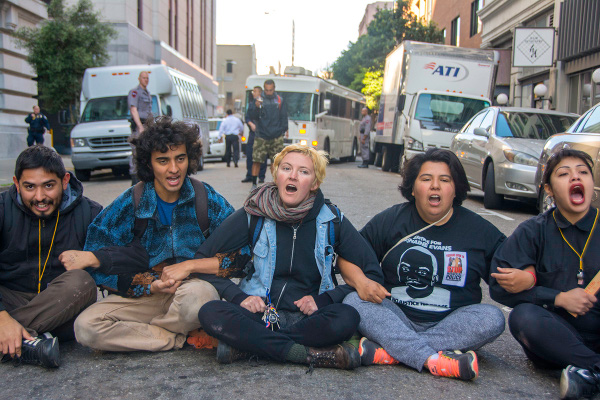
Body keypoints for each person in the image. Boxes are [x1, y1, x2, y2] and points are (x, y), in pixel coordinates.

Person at [189, 144, 383, 370]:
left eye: (303, 172)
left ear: (315, 183)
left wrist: (324, 300)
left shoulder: (332, 220)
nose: (292, 175)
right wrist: (237, 296)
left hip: (308, 320)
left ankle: (249, 345)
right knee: (211, 312)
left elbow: (373, 274)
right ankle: (304, 354)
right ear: (276, 175)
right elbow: (203, 259)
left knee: (347, 317)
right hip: (260, 314)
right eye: (286, 168)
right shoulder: (255, 214)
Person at [72, 117, 235, 352]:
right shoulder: (130, 203)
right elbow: (96, 262)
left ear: (190, 158)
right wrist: (149, 285)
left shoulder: (206, 198)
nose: (173, 169)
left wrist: (191, 267)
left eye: (180, 158)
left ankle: (144, 333)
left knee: (201, 300)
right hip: (143, 296)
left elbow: (243, 256)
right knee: (86, 327)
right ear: (149, 164)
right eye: (163, 160)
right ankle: (178, 336)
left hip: (192, 291)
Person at [340, 148, 506, 380]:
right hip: (395, 315)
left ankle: (391, 352)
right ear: (413, 188)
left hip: (452, 323)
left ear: (455, 188)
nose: (435, 186)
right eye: (426, 179)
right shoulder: (391, 220)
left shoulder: (480, 230)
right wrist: (361, 282)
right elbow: (347, 256)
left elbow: (513, 265)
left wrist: (526, 276)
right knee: (354, 299)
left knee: (492, 317)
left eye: (444, 180)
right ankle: (434, 359)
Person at [490, 149, 600, 400]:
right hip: (555, 338)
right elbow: (497, 288)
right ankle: (593, 367)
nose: (575, 178)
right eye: (564, 174)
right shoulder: (533, 231)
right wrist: (557, 297)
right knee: (522, 317)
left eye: (583, 172)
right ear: (549, 189)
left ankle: (588, 376)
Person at [0, 146, 101, 368]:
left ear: (64, 181)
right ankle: (31, 342)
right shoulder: (2, 209)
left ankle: (15, 338)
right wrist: (2, 318)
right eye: (29, 187)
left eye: (48, 186)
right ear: (17, 184)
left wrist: (94, 258)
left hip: (60, 306)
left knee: (82, 282)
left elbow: (120, 255)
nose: (40, 197)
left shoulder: (90, 213)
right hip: (8, 298)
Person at [247, 79, 288, 189]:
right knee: (256, 160)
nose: (268, 92)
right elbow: (251, 116)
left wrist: (282, 131)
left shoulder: (280, 100)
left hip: (276, 136)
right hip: (261, 136)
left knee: (276, 162)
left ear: (274, 89)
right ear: (264, 89)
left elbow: (284, 116)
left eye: (270, 90)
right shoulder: (258, 100)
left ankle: (276, 184)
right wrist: (256, 107)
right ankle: (254, 184)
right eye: (266, 90)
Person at [128, 71, 152, 185]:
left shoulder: (147, 93)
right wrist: (140, 126)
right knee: (136, 152)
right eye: (144, 78)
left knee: (146, 152)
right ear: (139, 79)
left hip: (146, 125)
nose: (146, 80)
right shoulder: (135, 92)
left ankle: (144, 179)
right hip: (140, 126)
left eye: (147, 78)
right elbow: (134, 110)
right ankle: (135, 181)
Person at [242, 86, 267, 184]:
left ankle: (261, 176)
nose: (253, 93)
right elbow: (247, 117)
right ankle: (249, 175)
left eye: (255, 91)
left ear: (260, 93)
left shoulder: (264, 103)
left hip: (262, 133)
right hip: (253, 133)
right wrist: (250, 123)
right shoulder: (251, 104)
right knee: (250, 154)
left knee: (261, 155)